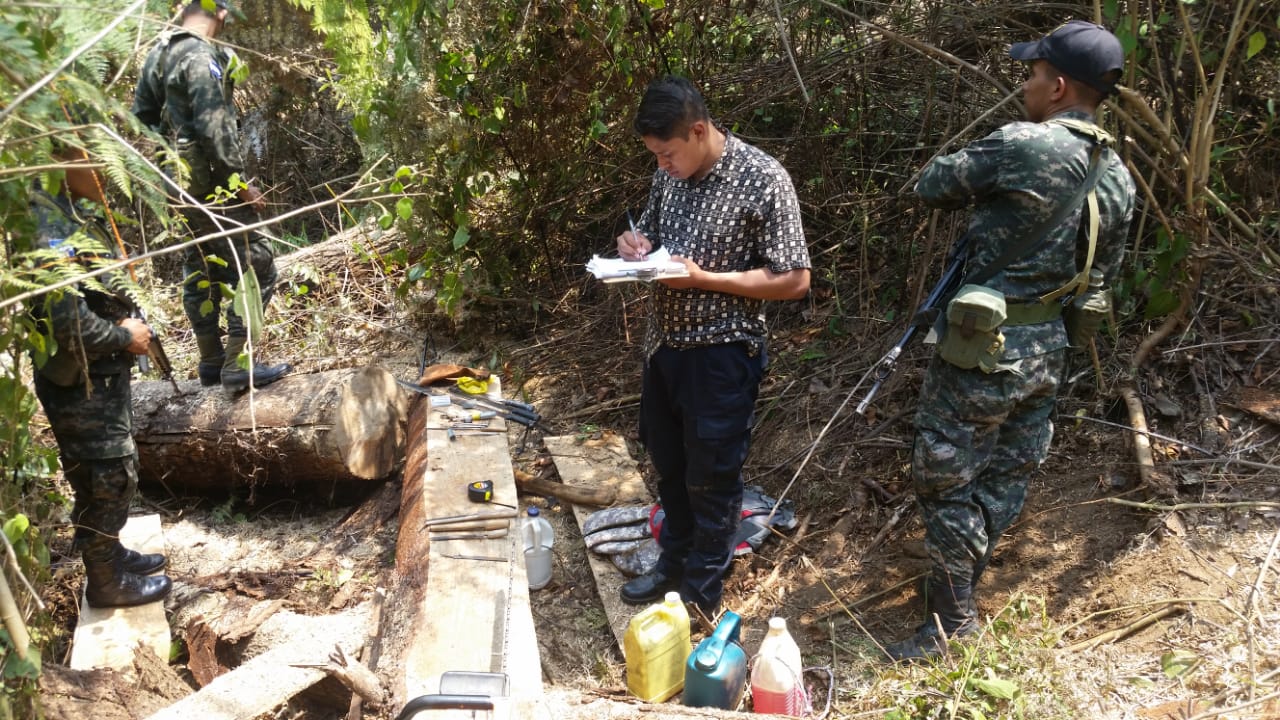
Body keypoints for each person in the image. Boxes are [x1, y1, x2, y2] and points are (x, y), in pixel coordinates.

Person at [885, 20, 1136, 661]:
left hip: (983, 352)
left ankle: (950, 623)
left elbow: (932, 184)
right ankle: (959, 585)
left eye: (1032, 74)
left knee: (943, 478)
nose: (1025, 85)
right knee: (1006, 475)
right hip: (1049, 351)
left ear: (1058, 86)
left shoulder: (1024, 143)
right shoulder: (1118, 175)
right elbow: (1102, 278)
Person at [615, 77, 811, 617]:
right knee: (670, 465)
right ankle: (672, 564)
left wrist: (705, 279)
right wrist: (633, 245)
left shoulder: (762, 178)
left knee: (713, 477)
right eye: (654, 156)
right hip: (665, 348)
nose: (661, 165)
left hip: (722, 355)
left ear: (699, 131)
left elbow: (795, 280)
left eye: (668, 154)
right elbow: (649, 236)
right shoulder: (669, 177)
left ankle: (701, 594)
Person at [28, 153, 173, 608]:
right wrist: (124, 337)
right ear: (63, 159)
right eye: (95, 163)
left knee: (102, 479)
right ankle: (106, 582)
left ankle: (110, 555)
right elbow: (68, 323)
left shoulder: (69, 212)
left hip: (98, 378)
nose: (108, 176)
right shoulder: (46, 221)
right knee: (109, 478)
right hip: (81, 383)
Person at [132, 0, 290, 393]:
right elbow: (213, 126)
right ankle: (239, 362)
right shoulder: (201, 56)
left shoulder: (159, 53)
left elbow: (142, 119)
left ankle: (211, 360)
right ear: (220, 11)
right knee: (257, 262)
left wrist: (170, 159)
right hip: (210, 185)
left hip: (174, 184)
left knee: (201, 264)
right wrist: (239, 183)